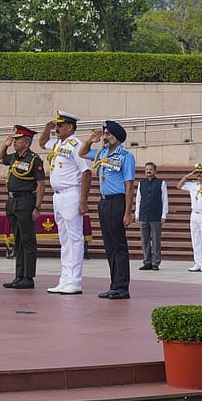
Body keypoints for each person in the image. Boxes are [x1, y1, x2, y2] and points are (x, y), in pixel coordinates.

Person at [79, 120, 136, 299]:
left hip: (117, 201)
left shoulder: (125, 156)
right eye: (104, 133)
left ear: (116, 137)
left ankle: (122, 287)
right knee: (109, 246)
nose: (105, 136)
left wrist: (128, 212)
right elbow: (82, 153)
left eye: (108, 134)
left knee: (118, 245)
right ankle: (114, 285)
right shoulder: (102, 153)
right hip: (104, 202)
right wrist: (89, 140)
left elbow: (129, 186)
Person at [38, 110, 92, 295]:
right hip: (58, 196)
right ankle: (65, 279)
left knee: (74, 239)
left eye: (60, 125)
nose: (57, 129)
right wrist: (47, 128)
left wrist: (83, 200)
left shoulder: (77, 145)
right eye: (57, 125)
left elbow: (86, 173)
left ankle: (75, 281)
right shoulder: (58, 144)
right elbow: (42, 143)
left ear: (70, 127)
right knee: (64, 239)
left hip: (71, 193)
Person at [0, 125, 46, 289]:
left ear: (26, 142)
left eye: (17, 140)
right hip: (12, 201)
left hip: (26, 201)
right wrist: (5, 145)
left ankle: (28, 277)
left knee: (27, 240)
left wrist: (37, 207)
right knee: (17, 240)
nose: (14, 142)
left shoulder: (33, 159)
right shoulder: (14, 157)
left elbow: (40, 184)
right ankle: (19, 275)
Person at [135, 162, 168, 271]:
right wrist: (137, 213)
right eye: (146, 169)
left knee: (156, 240)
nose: (148, 171)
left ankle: (155, 262)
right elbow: (138, 199)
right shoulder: (141, 183)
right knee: (144, 240)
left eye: (150, 169)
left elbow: (164, 199)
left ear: (155, 171)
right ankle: (147, 261)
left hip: (156, 215)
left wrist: (164, 214)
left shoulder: (161, 183)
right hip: (144, 214)